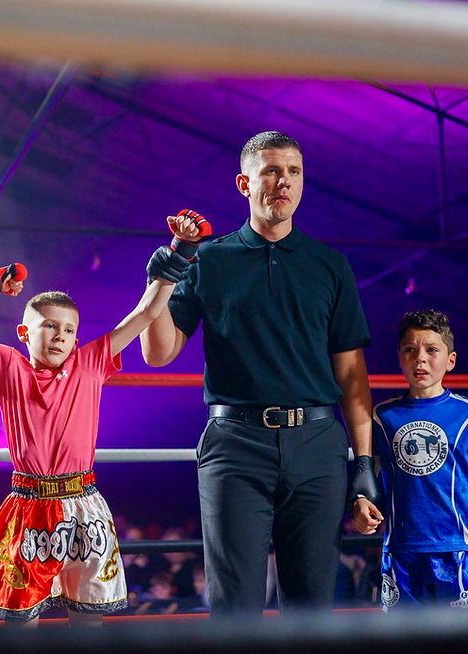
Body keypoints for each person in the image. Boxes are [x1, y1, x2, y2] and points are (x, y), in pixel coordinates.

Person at [0, 216, 202, 627]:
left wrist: (181, 252)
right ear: (24, 332)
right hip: (28, 506)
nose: (60, 336)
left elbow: (146, 312)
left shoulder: (90, 362)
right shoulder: (6, 365)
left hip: (83, 504)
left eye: (69, 329)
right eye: (49, 326)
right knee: (22, 628)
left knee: (87, 626)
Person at [140, 131, 380, 615]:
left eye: (293, 171)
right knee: (235, 607)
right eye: (270, 170)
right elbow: (158, 353)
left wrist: (365, 465)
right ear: (244, 183)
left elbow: (353, 379)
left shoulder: (330, 266)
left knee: (312, 606)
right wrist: (162, 279)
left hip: (317, 445)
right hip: (234, 444)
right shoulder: (208, 260)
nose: (283, 181)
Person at [353, 309, 468, 611]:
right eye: (410, 350)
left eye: (431, 350)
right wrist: (361, 502)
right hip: (401, 552)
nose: (420, 358)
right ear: (400, 358)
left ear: (451, 360)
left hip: (460, 551)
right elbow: (369, 481)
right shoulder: (382, 416)